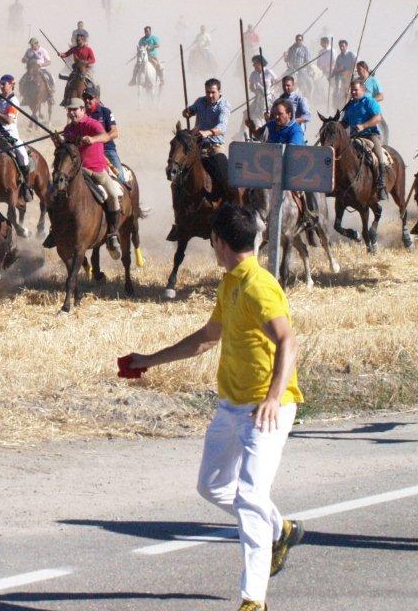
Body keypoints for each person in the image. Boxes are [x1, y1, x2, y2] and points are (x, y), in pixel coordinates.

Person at [124, 204, 303, 611]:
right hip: (231, 405)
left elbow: (288, 342)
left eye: (212, 241)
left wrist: (272, 398)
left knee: (250, 496)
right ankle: (280, 529)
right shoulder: (230, 283)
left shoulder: (258, 285)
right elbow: (207, 338)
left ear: (219, 242)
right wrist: (149, 360)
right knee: (213, 486)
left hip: (267, 409)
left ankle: (253, 599)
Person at [60, 97, 123, 255]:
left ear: (82, 110)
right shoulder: (68, 129)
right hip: (77, 171)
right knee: (54, 193)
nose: (72, 113)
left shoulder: (92, 124)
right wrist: (60, 142)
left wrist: (93, 139)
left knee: (113, 195)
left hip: (96, 170)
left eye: (75, 110)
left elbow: (106, 136)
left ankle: (113, 233)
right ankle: (56, 230)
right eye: (69, 110)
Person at [182, 78, 233, 196]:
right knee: (179, 166)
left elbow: (222, 127)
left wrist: (208, 132)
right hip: (197, 144)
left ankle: (229, 201)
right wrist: (187, 112)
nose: (210, 95)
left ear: (219, 91)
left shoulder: (224, 105)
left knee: (224, 175)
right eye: (207, 92)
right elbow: (190, 110)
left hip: (214, 146)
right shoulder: (200, 101)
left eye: (213, 92)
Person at [342, 78, 389, 177]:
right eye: (352, 90)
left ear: (362, 90)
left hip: (370, 135)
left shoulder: (370, 102)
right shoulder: (349, 105)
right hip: (353, 137)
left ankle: (381, 178)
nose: (353, 92)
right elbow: (345, 122)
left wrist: (363, 126)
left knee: (378, 156)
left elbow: (378, 118)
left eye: (355, 90)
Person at [81, 84, 126, 184]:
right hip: (87, 151)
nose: (87, 100)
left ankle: (125, 189)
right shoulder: (81, 114)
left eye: (90, 98)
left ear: (96, 99)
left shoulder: (105, 112)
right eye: (85, 98)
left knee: (120, 177)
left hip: (107, 149)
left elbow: (114, 132)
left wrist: (99, 139)